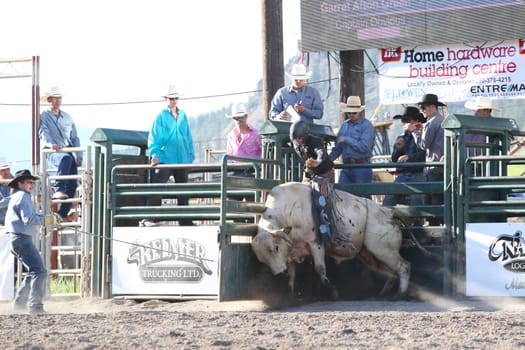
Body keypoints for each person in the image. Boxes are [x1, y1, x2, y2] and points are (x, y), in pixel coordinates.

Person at [5, 170, 59, 314]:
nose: (31, 185)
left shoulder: (17, 196)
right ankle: (35, 305)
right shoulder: (23, 196)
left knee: (33, 271)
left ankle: (20, 304)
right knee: (39, 271)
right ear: (20, 183)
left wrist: (45, 219)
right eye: (28, 182)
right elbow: (28, 219)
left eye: (32, 182)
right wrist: (48, 220)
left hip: (15, 238)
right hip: (21, 237)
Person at [148, 85, 195, 226]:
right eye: (171, 98)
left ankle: (184, 219)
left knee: (183, 189)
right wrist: (155, 154)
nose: (174, 100)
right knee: (158, 186)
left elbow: (188, 137)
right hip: (165, 157)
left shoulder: (183, 116)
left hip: (181, 158)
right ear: (165, 99)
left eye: (175, 98)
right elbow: (154, 136)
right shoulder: (161, 116)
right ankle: (151, 216)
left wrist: (190, 157)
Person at [39, 86, 82, 220]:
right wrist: (51, 144)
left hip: (68, 151)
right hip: (54, 151)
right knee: (65, 160)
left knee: (72, 183)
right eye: (55, 98)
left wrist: (79, 156)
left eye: (59, 98)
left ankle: (62, 213)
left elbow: (74, 137)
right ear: (49, 100)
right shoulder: (44, 116)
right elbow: (43, 132)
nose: (57, 100)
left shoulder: (67, 117)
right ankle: (58, 189)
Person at [290, 120, 336, 242]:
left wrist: (318, 161)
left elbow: (321, 152)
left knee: (321, 199)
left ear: (304, 136)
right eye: (295, 138)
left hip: (325, 172)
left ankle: (327, 230)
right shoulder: (295, 144)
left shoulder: (314, 141)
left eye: (300, 138)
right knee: (300, 194)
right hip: (310, 172)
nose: (298, 141)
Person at [382, 107, 426, 225]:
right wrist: (398, 149)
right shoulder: (401, 138)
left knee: (417, 199)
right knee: (389, 198)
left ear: (415, 121)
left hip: (417, 173)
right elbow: (394, 159)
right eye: (404, 121)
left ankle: (418, 226)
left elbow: (424, 154)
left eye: (408, 121)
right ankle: (385, 223)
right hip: (403, 174)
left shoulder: (422, 135)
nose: (405, 124)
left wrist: (409, 157)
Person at [409, 93, 446, 226]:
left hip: (433, 166)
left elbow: (424, 145)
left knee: (432, 202)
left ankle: (435, 233)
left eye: (423, 107)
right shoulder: (441, 120)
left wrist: (414, 132)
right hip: (440, 166)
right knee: (438, 201)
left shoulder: (432, 122)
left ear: (431, 107)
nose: (422, 110)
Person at [329, 96, 375, 187]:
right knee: (342, 194)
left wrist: (346, 139)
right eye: (349, 112)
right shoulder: (344, 125)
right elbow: (338, 148)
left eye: (353, 112)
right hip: (346, 166)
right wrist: (328, 160)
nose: (351, 114)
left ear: (359, 112)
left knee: (362, 197)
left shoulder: (367, 126)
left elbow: (365, 147)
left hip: (361, 166)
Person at [225, 102, 262, 176]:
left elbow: (264, 153)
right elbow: (230, 154)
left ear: (246, 117)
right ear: (233, 119)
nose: (239, 120)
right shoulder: (231, 136)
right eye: (236, 118)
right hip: (236, 170)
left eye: (241, 117)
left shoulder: (256, 134)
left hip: (254, 171)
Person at [0, 157, 12, 226]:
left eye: (8, 169)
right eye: (3, 170)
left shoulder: (16, 183)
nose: (6, 172)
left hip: (13, 224)